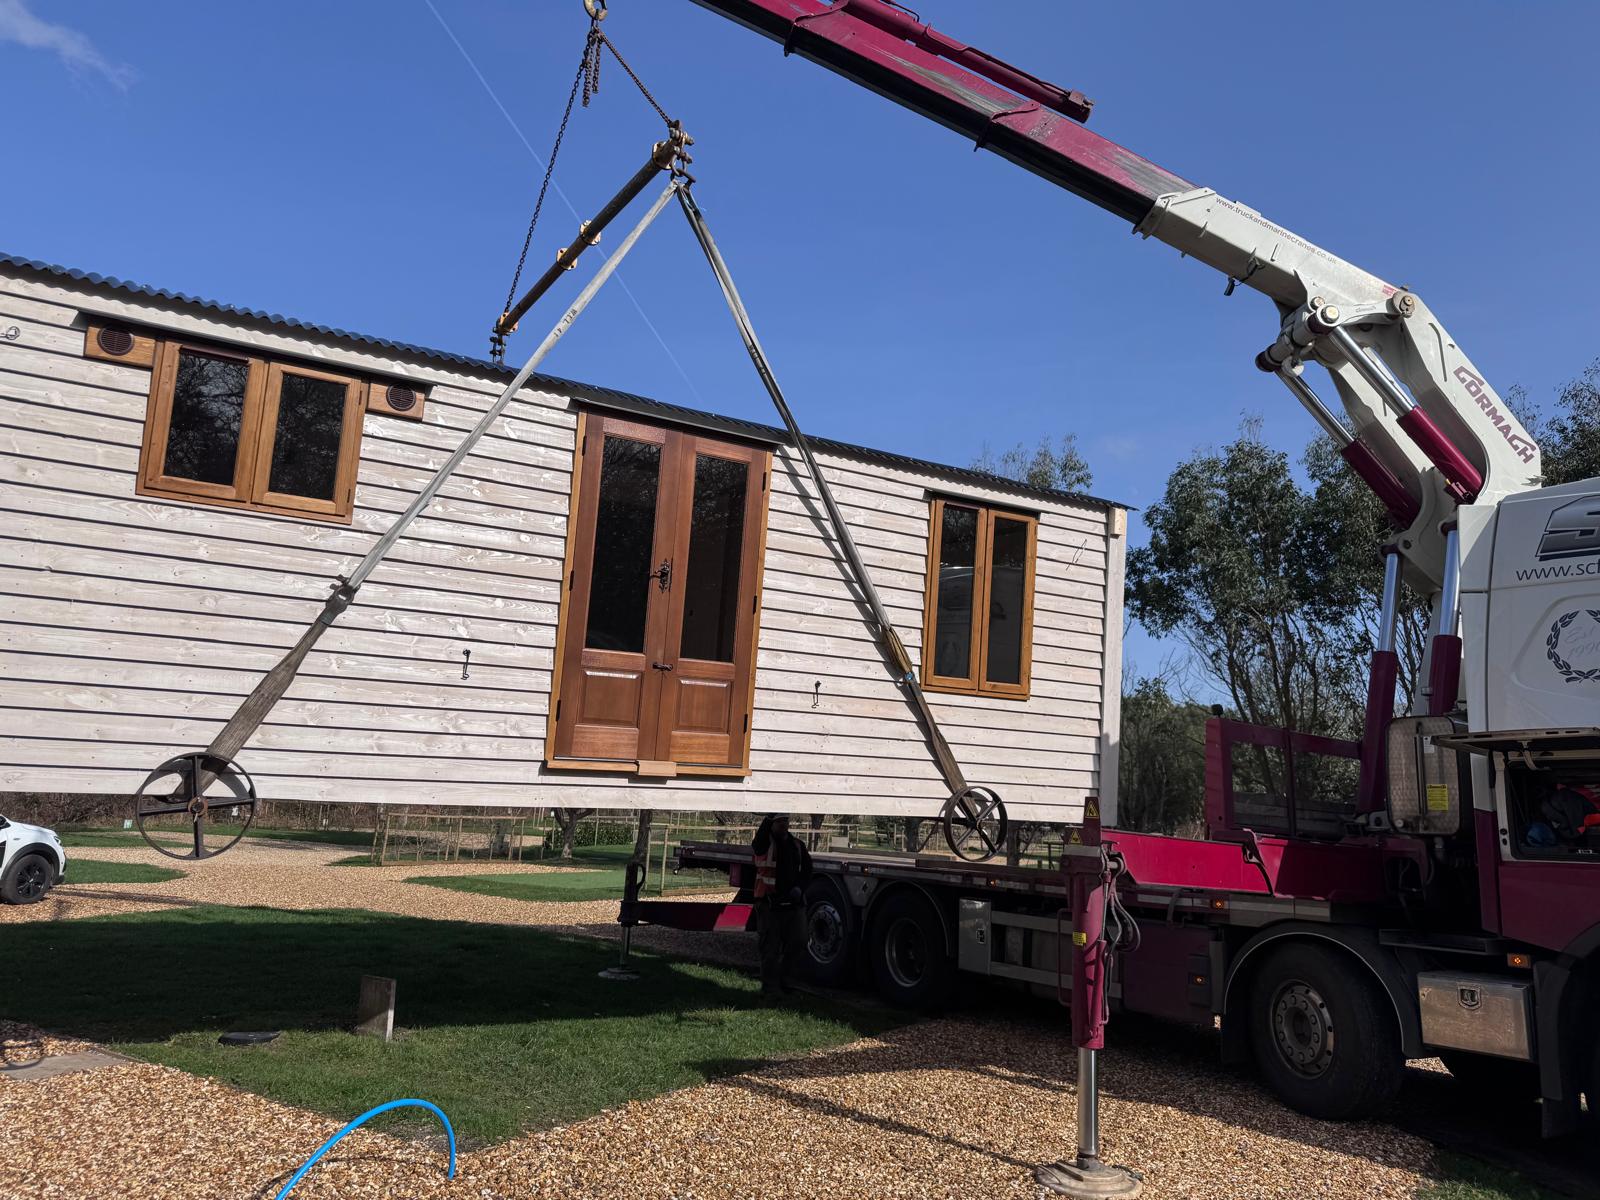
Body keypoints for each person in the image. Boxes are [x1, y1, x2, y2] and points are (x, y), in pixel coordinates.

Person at [752, 813, 813, 996]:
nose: (783, 824)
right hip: (769, 903)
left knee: (799, 942)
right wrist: (769, 815)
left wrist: (800, 889)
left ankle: (788, 983)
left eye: (785, 820)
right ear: (772, 823)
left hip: (793, 904)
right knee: (770, 948)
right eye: (779, 821)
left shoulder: (797, 845)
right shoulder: (764, 843)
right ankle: (771, 989)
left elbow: (807, 871)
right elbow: (758, 841)